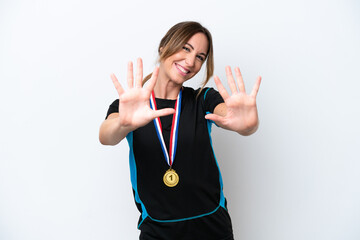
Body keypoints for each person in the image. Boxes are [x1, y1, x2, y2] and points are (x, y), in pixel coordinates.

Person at [99, 21, 261, 240]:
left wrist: (247, 125)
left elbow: (231, 117)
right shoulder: (131, 106)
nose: (191, 61)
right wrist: (123, 123)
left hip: (212, 225)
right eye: (186, 48)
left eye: (200, 57)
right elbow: (106, 136)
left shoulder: (202, 99)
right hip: (158, 230)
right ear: (164, 46)